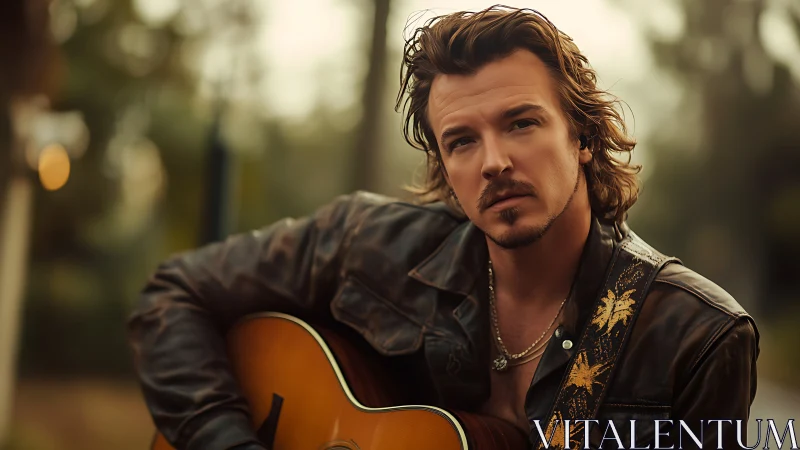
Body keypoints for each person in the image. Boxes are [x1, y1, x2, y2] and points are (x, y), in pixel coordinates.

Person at [127, 6, 759, 450]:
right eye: (461, 141)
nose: (493, 162)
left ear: (583, 137)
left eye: (521, 123)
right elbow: (174, 294)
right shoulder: (366, 245)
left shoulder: (697, 342)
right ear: (444, 167)